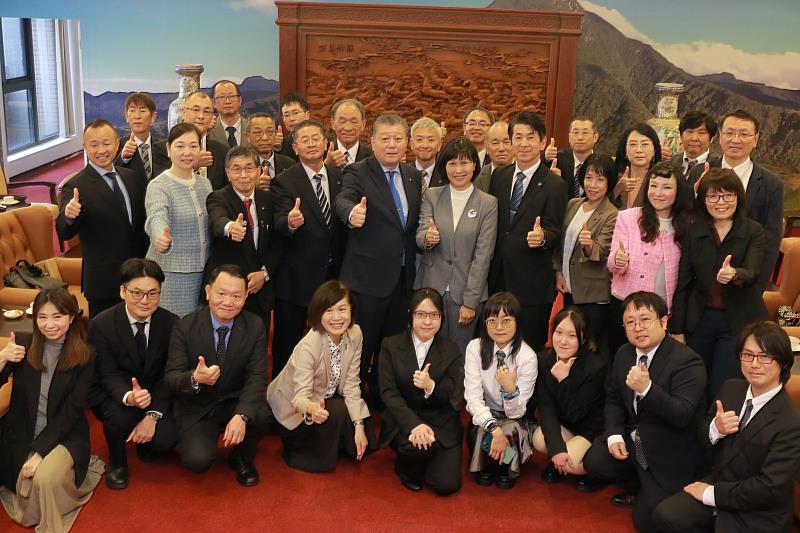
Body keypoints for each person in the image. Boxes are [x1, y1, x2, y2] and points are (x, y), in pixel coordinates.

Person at [653, 321, 800, 533]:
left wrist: (711, 494)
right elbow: (702, 437)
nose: (754, 364)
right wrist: (715, 429)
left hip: (758, 511)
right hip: (720, 482)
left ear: (783, 362)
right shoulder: (731, 388)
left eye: (765, 356)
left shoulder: (791, 421)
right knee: (664, 516)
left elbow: (770, 488)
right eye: (747, 355)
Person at [582, 291, 706, 532]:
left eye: (645, 319)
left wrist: (647, 389)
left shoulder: (688, 361)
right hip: (634, 437)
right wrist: (615, 434)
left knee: (647, 522)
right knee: (595, 462)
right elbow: (614, 399)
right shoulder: (624, 353)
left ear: (663, 321)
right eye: (630, 322)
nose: (637, 327)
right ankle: (639, 483)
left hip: (669, 448)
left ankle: (650, 488)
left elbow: (682, 415)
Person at [333, 114, 422, 404]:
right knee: (361, 346)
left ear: (407, 143)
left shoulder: (412, 175)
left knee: (391, 348)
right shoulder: (358, 172)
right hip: (367, 280)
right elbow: (344, 199)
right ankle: (352, 403)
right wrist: (350, 214)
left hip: (402, 278)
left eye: (398, 138)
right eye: (385, 138)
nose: (392, 144)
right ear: (372, 141)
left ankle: (382, 398)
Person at [0, 288, 103, 533]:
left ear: (71, 318)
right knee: (22, 478)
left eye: (57, 317)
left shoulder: (86, 355)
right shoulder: (24, 344)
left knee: (44, 478)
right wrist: (2, 358)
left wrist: (39, 452)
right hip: (21, 430)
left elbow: (72, 411)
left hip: (64, 435)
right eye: (42, 317)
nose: (50, 324)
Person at [164, 265, 271, 486]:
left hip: (234, 399)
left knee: (260, 413)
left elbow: (257, 376)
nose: (228, 302)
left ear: (246, 297)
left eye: (236, 296)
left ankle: (241, 457)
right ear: (207, 292)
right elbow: (172, 377)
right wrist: (195, 378)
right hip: (198, 404)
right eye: (221, 294)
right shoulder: (184, 327)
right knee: (197, 462)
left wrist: (242, 415)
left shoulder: (255, 325)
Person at [671, 168, 767, 399]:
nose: (720, 202)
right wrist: (676, 329)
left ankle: (719, 432)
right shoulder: (694, 231)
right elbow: (683, 283)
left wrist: (734, 275)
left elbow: (753, 272)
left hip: (736, 322)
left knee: (723, 387)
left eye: (727, 195)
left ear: (738, 197)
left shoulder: (753, 230)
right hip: (699, 319)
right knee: (692, 384)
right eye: (713, 196)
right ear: (703, 200)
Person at [267, 280, 377, 472]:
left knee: (359, 418)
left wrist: (358, 425)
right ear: (318, 313)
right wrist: (311, 408)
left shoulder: (355, 333)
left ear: (351, 310)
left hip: (325, 395)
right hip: (294, 410)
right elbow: (299, 398)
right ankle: (300, 448)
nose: (336, 317)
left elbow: (352, 384)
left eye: (342, 309)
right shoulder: (309, 346)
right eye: (328, 310)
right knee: (337, 412)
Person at [88, 258, 178, 490]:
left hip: (153, 392)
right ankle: (117, 461)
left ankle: (146, 440)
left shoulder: (171, 323)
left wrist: (152, 415)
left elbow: (169, 374)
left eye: (152, 294)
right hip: (116, 392)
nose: (145, 301)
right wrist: (129, 396)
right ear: (122, 291)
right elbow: (107, 374)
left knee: (165, 440)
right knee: (120, 418)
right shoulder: (101, 324)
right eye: (137, 293)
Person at [271, 119, 347, 377]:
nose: (312, 144)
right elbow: (279, 221)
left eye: (317, 138)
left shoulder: (340, 178)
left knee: (330, 342)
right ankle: (281, 400)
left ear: (326, 144)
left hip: (332, 277)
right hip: (296, 280)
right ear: (295, 147)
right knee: (287, 345)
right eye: (305, 139)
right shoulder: (284, 181)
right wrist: (290, 223)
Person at [488, 110, 568, 352]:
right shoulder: (499, 177)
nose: (523, 144)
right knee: (496, 346)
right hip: (498, 278)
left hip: (532, 284)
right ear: (511, 141)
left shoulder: (555, 184)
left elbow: (555, 231)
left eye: (530, 137)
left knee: (527, 350)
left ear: (542, 142)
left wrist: (543, 237)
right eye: (518, 137)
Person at [56, 119, 149, 317]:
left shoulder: (131, 177)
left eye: (106, 143)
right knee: (105, 343)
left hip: (138, 278)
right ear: (84, 147)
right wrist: (69, 216)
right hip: (104, 284)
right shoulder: (75, 186)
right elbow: (64, 231)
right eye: (94, 145)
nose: (101, 150)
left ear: (117, 144)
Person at [415, 137, 498, 353]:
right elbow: (421, 233)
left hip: (465, 294)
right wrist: (428, 238)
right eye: (452, 163)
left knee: (460, 355)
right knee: (428, 352)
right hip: (431, 290)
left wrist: (470, 302)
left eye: (464, 163)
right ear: (444, 166)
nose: (458, 169)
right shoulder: (431, 195)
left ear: (474, 165)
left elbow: (483, 255)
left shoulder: (487, 203)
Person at [379, 288, 464, 495]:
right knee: (416, 447)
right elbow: (388, 392)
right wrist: (415, 425)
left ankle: (427, 455)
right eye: (421, 315)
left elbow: (454, 395)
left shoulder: (451, 349)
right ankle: (406, 468)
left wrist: (431, 387)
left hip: (440, 421)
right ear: (411, 315)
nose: (427, 322)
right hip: (405, 420)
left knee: (446, 486)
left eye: (434, 315)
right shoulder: (391, 345)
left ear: (442, 318)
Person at [687, 109, 783, 292]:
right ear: (720, 137)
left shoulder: (772, 184)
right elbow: (686, 219)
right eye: (730, 133)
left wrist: (757, 287)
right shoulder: (700, 172)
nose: (736, 139)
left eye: (744, 134)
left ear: (755, 140)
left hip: (744, 281)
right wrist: (695, 193)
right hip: (699, 279)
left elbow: (771, 241)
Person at [606, 162, 693, 354]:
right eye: (653, 186)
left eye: (667, 187)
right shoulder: (628, 217)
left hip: (660, 313)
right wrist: (618, 260)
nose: (658, 193)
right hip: (625, 306)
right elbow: (612, 263)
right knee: (621, 361)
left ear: (678, 191)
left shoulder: (686, 225)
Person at [204, 145, 280, 339]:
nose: (244, 174)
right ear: (228, 173)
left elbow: (278, 243)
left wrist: (264, 274)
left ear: (258, 170)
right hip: (227, 293)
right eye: (237, 169)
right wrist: (230, 228)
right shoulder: (218, 197)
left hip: (260, 290)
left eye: (249, 168)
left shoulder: (268, 199)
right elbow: (217, 219)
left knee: (256, 347)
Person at [464, 292, 537, 489]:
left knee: (510, 429)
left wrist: (509, 389)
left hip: (514, 419)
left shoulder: (527, 357)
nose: (498, 327)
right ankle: (490, 461)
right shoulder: (475, 348)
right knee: (483, 431)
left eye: (506, 320)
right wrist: (493, 429)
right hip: (486, 416)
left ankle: (505, 464)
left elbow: (517, 412)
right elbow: (473, 399)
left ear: (517, 322)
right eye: (492, 320)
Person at [144, 122, 213, 317]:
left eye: (193, 146)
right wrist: (159, 237)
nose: (187, 152)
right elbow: (157, 215)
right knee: (176, 334)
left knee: (199, 333)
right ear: (168, 149)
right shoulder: (159, 185)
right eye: (180, 146)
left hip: (205, 273)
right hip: (172, 275)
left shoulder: (205, 184)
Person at [533, 308, 606, 486]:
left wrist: (563, 381)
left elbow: (577, 413)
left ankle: (593, 471)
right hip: (565, 425)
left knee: (572, 461)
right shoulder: (544, 359)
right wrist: (556, 449)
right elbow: (546, 407)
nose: (563, 341)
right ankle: (560, 460)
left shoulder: (596, 366)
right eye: (559, 332)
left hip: (590, 429)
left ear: (583, 338)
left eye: (572, 336)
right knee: (539, 439)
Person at [554, 154, 618, 347]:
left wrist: (589, 245)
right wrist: (558, 271)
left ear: (609, 182)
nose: (593, 184)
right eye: (588, 178)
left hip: (593, 295)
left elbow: (602, 251)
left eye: (600, 179)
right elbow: (560, 242)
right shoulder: (573, 204)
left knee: (589, 346)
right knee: (569, 344)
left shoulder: (612, 214)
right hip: (569, 288)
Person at [152, 91, 229, 189]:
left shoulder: (222, 151)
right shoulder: (161, 149)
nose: (201, 116)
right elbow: (160, 185)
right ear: (184, 113)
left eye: (206, 111)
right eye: (196, 110)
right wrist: (193, 166)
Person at [544, 116, 600, 199]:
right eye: (576, 133)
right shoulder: (556, 160)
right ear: (569, 137)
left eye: (585, 133)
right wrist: (545, 157)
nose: (580, 138)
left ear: (595, 137)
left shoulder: (602, 163)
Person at [613, 123, 662, 209]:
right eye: (633, 144)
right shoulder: (614, 177)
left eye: (645, 144)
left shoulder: (661, 179)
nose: (639, 150)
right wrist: (618, 189)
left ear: (654, 150)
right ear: (625, 150)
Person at [244, 112, 294, 191]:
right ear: (248, 136)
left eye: (270, 132)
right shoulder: (242, 167)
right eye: (258, 133)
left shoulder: (289, 164)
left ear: (276, 133)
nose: (265, 138)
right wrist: (254, 189)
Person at [116, 92, 158, 182]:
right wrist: (123, 158)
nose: (137, 116)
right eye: (132, 110)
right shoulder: (117, 146)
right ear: (126, 116)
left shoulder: (162, 147)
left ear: (153, 117)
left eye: (142, 111)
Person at [324, 98, 372, 168]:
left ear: (363, 125)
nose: (348, 128)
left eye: (354, 122)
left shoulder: (372, 158)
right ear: (333, 123)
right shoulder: (321, 153)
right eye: (342, 121)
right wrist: (326, 166)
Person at [670, 111, 717, 175]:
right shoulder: (672, 163)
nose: (694, 138)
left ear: (711, 139)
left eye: (701, 133)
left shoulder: (717, 166)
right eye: (689, 132)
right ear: (681, 136)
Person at [474, 121, 514, 193]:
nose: (501, 148)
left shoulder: (524, 172)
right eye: (495, 143)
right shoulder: (479, 176)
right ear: (486, 147)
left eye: (507, 142)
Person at [208, 80, 247, 148]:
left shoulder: (252, 128)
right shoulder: (208, 132)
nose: (227, 101)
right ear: (214, 103)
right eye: (222, 97)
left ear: (239, 100)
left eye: (232, 96)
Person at [410, 117, 446, 190]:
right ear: (411, 144)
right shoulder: (402, 174)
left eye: (431, 140)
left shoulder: (447, 175)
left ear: (439, 145)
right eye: (419, 140)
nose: (425, 145)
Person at [275, 92, 310, 161]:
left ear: (307, 115)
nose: (291, 119)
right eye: (287, 115)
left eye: (295, 113)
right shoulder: (281, 146)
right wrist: (276, 148)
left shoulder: (325, 140)